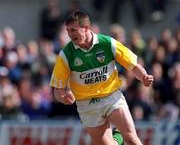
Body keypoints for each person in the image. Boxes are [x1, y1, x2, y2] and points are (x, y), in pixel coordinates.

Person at [50, 10, 153, 145]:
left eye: (73, 30)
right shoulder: (66, 54)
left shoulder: (108, 43)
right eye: (68, 31)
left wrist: (144, 76)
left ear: (86, 28)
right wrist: (62, 97)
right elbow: (57, 89)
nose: (70, 34)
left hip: (111, 97)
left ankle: (120, 137)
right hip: (87, 105)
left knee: (131, 138)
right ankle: (117, 138)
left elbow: (133, 66)